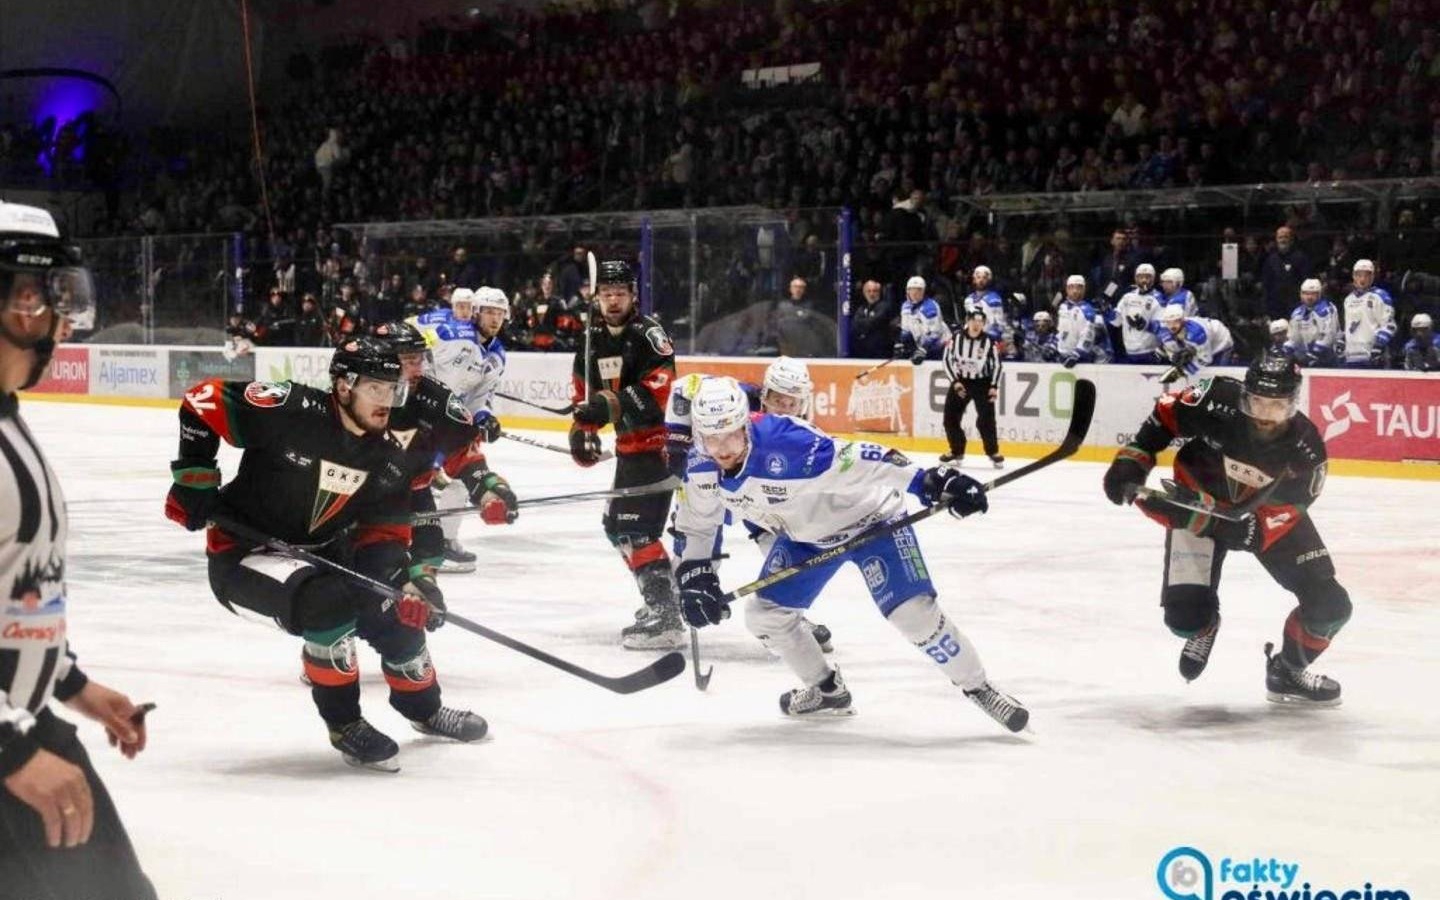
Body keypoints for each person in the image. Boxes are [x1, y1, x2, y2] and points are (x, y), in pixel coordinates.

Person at [165, 338, 487, 771]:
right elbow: (201, 402)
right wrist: (195, 480)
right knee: (328, 602)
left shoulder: (389, 459)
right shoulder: (292, 410)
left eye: (392, 390)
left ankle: (424, 710)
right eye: (375, 388)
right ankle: (345, 724)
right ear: (342, 386)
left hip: (325, 557)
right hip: (243, 555)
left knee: (394, 610)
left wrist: (409, 584)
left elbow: (383, 538)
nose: (385, 401)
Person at [671, 378, 1028, 731]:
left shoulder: (788, 443)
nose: (721, 448)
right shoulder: (700, 466)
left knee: (913, 615)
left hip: (872, 521)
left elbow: (865, 458)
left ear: (746, 425)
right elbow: (699, 525)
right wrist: (696, 576)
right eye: (710, 437)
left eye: (730, 434)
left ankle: (979, 687)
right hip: (805, 538)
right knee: (766, 616)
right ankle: (827, 690)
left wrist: (931, 480)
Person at [0, 201, 157, 898]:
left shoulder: (8, 423)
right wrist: (7, 747)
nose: (59, 323)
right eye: (35, 297)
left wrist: (67, 682)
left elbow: (14, 587)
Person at [1102, 353, 1349, 705]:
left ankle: (1287, 671)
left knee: (1331, 606)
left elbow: (1256, 530)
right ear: (1244, 396)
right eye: (1257, 403)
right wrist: (1132, 460)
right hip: (1197, 496)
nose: (1265, 416)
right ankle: (1204, 626)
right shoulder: (1214, 398)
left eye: (1276, 408)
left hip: (1261, 520)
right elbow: (1163, 417)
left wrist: (1191, 517)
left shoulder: (1307, 453)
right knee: (1184, 620)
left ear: (1293, 405)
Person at [663, 360, 834, 652]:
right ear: (763, 394)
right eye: (777, 398)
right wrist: (678, 441)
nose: (783, 407)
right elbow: (683, 386)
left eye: (792, 402)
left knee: (786, 540)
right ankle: (674, 610)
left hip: (756, 492)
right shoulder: (733, 398)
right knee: (697, 540)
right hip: (713, 476)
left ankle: (783, 617)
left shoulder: (799, 434)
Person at [569, 260, 680, 650]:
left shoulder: (648, 334)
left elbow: (658, 392)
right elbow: (583, 391)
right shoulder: (592, 338)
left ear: (633, 295)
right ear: (597, 297)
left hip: (661, 447)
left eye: (620, 293)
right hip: (630, 449)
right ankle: (663, 598)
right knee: (616, 527)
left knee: (636, 530)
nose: (613, 300)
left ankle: (667, 617)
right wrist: (581, 431)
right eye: (606, 294)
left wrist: (607, 405)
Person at [371, 319, 517, 579]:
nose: (418, 369)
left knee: (429, 550)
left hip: (414, 493)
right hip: (356, 500)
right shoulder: (354, 395)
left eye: (420, 359)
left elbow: (464, 455)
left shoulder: (436, 399)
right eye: (409, 361)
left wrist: (489, 491)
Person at [422, 287, 511, 571]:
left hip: (452, 421)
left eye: (500, 313)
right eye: (489, 312)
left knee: (459, 483)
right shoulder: (453, 334)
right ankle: (418, 543)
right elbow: (419, 356)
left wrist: (485, 418)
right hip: (424, 415)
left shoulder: (497, 354)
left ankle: (445, 542)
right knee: (420, 479)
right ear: (477, 312)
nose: (495, 318)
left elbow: (481, 398)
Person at [941, 309, 1004, 467]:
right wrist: (955, 382)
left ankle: (993, 452)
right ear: (967, 321)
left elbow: (997, 364)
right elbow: (947, 360)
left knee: (986, 419)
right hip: (961, 381)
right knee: (950, 418)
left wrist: (993, 386)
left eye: (980, 322)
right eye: (973, 321)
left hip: (982, 383)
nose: (976, 325)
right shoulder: (956, 338)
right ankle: (957, 450)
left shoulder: (989, 341)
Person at [1339, 259, 1397, 368]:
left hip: (1373, 357)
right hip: (1351, 356)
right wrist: (1342, 340)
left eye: (1366, 275)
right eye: (1359, 275)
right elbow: (1349, 326)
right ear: (1353, 276)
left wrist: (1378, 345)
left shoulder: (1381, 296)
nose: (1362, 279)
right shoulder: (1348, 299)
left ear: (1372, 277)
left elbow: (1390, 325)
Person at [1154, 307, 1233, 377]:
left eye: (1176, 321)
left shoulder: (1196, 333)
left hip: (1220, 342)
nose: (1172, 326)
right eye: (1168, 322)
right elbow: (1169, 351)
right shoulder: (1164, 330)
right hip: (1200, 342)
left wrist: (1182, 370)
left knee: (1218, 374)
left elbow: (1206, 361)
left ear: (1183, 320)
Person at [1109, 263, 1164, 363]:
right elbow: (1116, 321)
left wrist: (1145, 325)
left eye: (1147, 277)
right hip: (1129, 351)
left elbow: (1164, 327)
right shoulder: (1127, 296)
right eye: (1140, 277)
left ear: (1154, 278)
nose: (1144, 280)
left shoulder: (1159, 299)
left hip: (1150, 352)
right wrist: (1107, 311)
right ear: (1135, 278)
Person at [893, 276, 949, 363]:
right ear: (907, 291)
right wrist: (901, 343)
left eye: (919, 290)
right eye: (912, 289)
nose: (915, 293)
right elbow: (906, 330)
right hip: (923, 347)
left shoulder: (930, 307)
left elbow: (935, 334)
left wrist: (923, 350)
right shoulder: (905, 306)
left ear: (923, 291)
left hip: (941, 347)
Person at [1286, 278, 1339, 367]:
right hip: (1307, 357)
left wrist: (1316, 350)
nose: (1309, 297)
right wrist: (1288, 348)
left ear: (1319, 294)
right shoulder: (1297, 312)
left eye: (1313, 294)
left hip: (1326, 358)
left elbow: (1330, 335)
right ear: (1301, 294)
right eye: (1306, 293)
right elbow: (1294, 337)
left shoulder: (1327, 309)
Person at [1055, 275, 1103, 367]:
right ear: (1066, 289)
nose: (1075, 291)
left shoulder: (1088, 310)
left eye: (1079, 287)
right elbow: (1060, 331)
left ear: (1084, 289)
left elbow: (1088, 336)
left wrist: (1076, 354)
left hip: (1079, 359)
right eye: (1071, 287)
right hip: (1062, 356)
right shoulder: (1062, 307)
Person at [849, 279, 896, 359]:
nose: (872, 294)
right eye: (869, 291)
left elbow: (873, 322)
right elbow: (854, 325)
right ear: (864, 293)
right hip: (864, 352)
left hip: (881, 353)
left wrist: (864, 323)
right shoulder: (862, 308)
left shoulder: (884, 306)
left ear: (879, 292)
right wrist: (866, 322)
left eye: (875, 291)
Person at [962, 265, 1008, 345]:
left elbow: (999, 324)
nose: (981, 280)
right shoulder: (968, 300)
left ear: (989, 280)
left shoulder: (995, 299)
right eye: (978, 277)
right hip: (972, 338)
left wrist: (989, 336)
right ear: (974, 280)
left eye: (984, 278)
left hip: (989, 339)